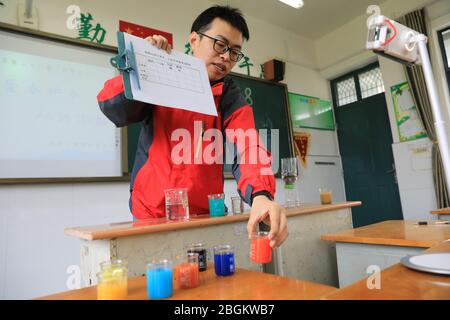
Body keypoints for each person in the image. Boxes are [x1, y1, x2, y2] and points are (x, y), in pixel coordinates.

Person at [97, 5, 288, 248]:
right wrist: (139, 63)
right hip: (149, 215)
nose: (226, 57)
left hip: (204, 216)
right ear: (194, 40)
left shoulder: (229, 96)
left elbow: (249, 144)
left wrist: (261, 195)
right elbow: (112, 108)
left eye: (235, 52)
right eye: (220, 45)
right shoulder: (159, 70)